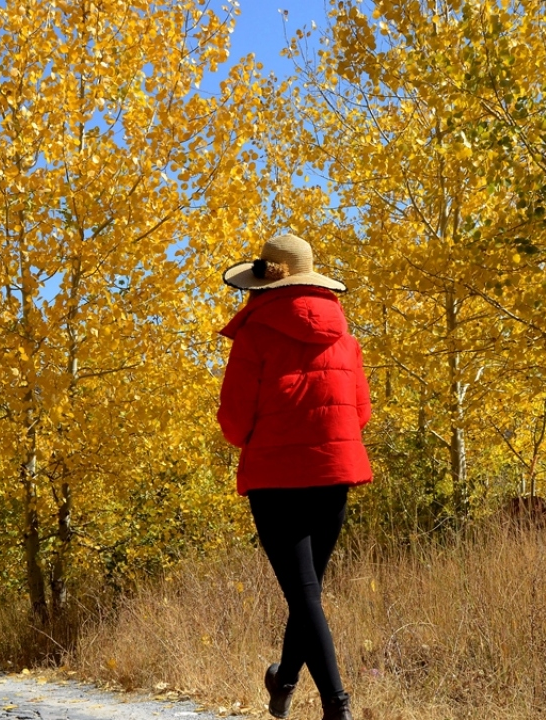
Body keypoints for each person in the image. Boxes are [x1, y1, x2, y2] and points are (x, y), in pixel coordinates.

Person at [217, 233, 372, 720]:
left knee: (303, 594)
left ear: (265, 284)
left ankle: (337, 706)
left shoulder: (255, 336)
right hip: (334, 474)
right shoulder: (346, 339)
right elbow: (360, 414)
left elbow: (235, 425)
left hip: (275, 478)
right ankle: (284, 679)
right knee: (307, 593)